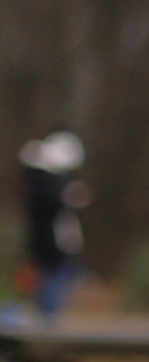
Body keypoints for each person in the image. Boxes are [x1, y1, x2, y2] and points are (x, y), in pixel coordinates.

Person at [15, 131, 87, 319]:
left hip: (46, 242)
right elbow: (53, 209)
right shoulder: (45, 184)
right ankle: (48, 317)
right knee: (54, 278)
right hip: (51, 244)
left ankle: (46, 315)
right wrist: (70, 198)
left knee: (50, 277)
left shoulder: (39, 184)